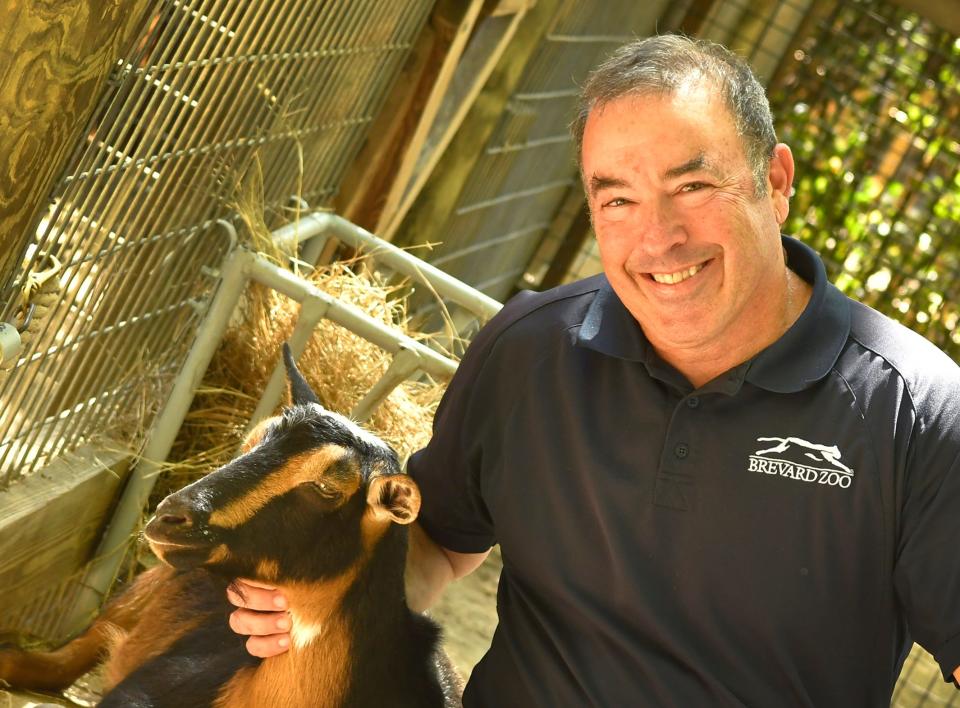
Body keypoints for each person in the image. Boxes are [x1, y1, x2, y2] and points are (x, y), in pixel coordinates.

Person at [226, 35, 960, 706]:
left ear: (775, 180)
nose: (659, 239)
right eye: (618, 199)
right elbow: (438, 544)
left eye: (693, 187)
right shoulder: (530, 350)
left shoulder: (917, 414)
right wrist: (326, 596)